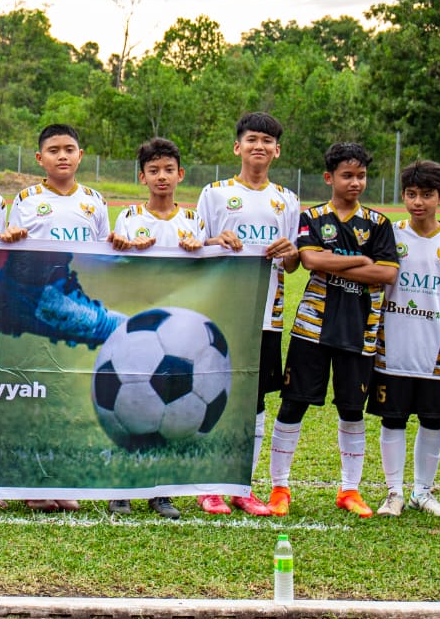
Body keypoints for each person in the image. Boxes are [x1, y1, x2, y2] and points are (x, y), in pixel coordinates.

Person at [0, 123, 120, 513]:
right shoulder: (27, 199)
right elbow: (8, 249)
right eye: (53, 150)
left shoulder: (94, 201)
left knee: (67, 395)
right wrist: (12, 237)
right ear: (39, 158)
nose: (62, 156)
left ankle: (60, 481)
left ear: (81, 155)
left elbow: (101, 251)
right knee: (34, 394)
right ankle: (32, 483)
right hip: (34, 305)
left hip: (69, 296)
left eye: (69, 149)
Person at [267, 143, 398, 517]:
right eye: (347, 176)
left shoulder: (378, 224)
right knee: (293, 403)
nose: (355, 182)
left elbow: (386, 273)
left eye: (361, 176)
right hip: (313, 327)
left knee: (352, 410)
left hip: (360, 329)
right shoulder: (312, 217)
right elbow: (309, 259)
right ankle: (279, 488)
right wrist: (360, 261)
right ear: (329, 178)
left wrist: (333, 262)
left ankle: (349, 490)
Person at [197, 111, 300, 516]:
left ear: (277, 150)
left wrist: (290, 253)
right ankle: (209, 487)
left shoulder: (286, 199)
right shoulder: (215, 193)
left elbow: (292, 263)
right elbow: (195, 246)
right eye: (252, 139)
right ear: (237, 147)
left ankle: (242, 486)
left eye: (267, 141)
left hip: (266, 318)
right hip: (221, 314)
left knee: (254, 403)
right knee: (213, 397)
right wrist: (214, 241)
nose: (260, 146)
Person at [104, 137, 209, 520]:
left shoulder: (193, 221)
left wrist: (207, 245)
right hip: (138, 327)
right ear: (142, 177)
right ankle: (122, 489)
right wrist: (124, 246)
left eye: (168, 170)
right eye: (153, 171)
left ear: (181, 174)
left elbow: (210, 260)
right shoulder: (129, 218)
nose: (161, 177)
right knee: (130, 401)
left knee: (167, 405)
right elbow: (116, 260)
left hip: (178, 332)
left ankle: (160, 491)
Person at [367, 161, 440, 517]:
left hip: (434, 346)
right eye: (411, 194)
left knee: (432, 419)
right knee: (392, 418)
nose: (418, 202)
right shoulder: (390, 234)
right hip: (393, 343)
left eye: (426, 195)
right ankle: (394, 493)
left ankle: (422, 492)